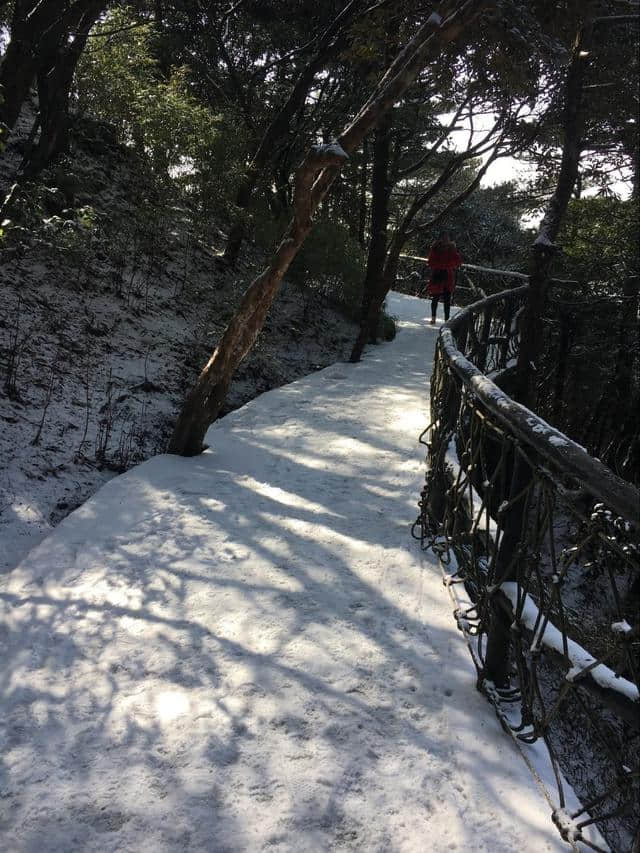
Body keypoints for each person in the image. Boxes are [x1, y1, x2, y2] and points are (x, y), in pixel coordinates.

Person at [426, 231, 462, 324]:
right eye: (444, 238)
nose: (446, 240)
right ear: (440, 239)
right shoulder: (435, 248)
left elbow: (458, 261)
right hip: (438, 275)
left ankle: (447, 321)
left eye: (447, 238)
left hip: (447, 277)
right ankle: (433, 318)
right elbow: (430, 262)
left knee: (447, 300)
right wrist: (444, 265)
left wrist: (447, 265)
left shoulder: (452, 249)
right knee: (435, 298)